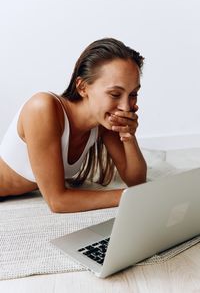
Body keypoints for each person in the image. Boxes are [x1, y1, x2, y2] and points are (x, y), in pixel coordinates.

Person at [0, 38, 147, 212]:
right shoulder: (42, 108)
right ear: (82, 87)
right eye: (115, 94)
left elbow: (136, 181)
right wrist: (133, 197)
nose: (125, 106)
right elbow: (58, 201)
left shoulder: (104, 122)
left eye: (133, 94)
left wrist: (129, 136)